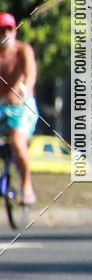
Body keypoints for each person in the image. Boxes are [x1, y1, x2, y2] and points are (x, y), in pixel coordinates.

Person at [0, 12, 38, 205]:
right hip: (1, 106)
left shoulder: (23, 50)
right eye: (1, 30)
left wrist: (21, 92)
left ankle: (27, 187)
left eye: (8, 29)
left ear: (14, 30)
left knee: (17, 142)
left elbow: (30, 77)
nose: (5, 33)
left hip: (22, 106)